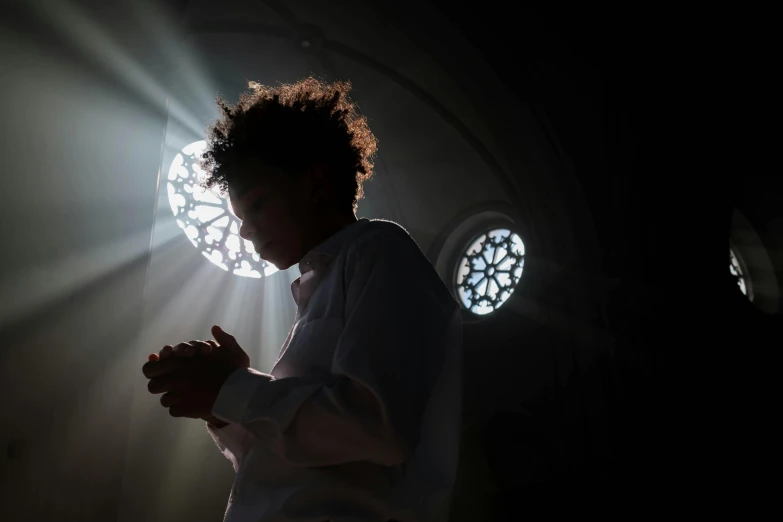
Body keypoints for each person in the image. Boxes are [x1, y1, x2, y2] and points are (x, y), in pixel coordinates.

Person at [141, 77, 463, 522]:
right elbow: (291, 459)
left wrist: (233, 388)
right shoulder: (319, 293)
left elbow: (377, 429)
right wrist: (220, 404)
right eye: (239, 216)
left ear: (314, 181)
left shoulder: (379, 249)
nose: (245, 230)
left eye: (256, 205)